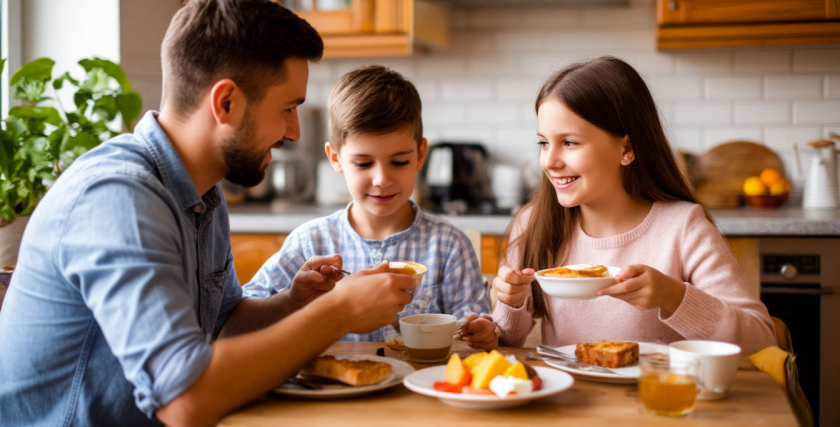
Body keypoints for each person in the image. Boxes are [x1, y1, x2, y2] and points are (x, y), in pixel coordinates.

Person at [0, 0, 419, 427]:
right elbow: (185, 401)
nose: (294, 132)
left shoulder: (202, 192)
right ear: (226, 103)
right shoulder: (118, 198)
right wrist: (339, 312)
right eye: (288, 108)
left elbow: (222, 325)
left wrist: (294, 302)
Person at [492, 56, 776, 355]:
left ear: (626, 149)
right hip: (567, 400)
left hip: (657, 398)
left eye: (570, 143)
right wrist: (510, 302)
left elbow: (760, 341)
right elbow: (508, 338)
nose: (549, 161)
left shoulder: (682, 228)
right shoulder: (533, 222)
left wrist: (675, 298)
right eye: (544, 143)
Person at [244, 65, 497, 350]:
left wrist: (482, 330)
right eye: (363, 163)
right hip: (334, 388)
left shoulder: (449, 246)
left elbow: (474, 319)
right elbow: (245, 307)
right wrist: (292, 299)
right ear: (335, 158)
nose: (381, 179)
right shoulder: (310, 241)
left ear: (420, 155)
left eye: (399, 162)